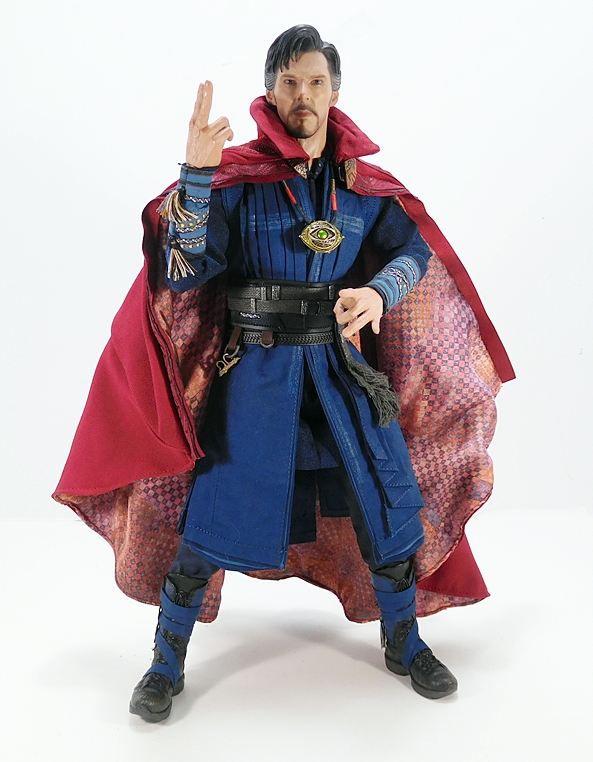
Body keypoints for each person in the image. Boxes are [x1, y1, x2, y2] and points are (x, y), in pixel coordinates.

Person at [53, 25, 514, 723]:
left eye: (316, 82)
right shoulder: (238, 179)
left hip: (343, 373)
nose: (304, 95)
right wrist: (196, 178)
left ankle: (404, 641)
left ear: (335, 91)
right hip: (257, 377)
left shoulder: (361, 186)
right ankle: (166, 661)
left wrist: (379, 291)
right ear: (270, 90)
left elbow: (412, 251)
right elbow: (185, 270)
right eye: (290, 81)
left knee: (388, 507)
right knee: (211, 520)